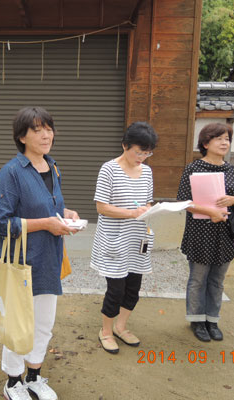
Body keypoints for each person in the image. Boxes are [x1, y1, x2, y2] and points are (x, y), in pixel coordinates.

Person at [0, 106, 79, 400]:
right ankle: (13, 381)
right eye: (37, 129)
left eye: (49, 128)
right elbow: (1, 224)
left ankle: (34, 376)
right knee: (17, 324)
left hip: (49, 258)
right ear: (22, 137)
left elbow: (48, 207)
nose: (46, 135)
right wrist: (46, 223)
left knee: (43, 324)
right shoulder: (11, 173)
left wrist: (66, 214)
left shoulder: (52, 167)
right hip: (21, 262)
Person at [91, 121, 158, 354]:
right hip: (114, 239)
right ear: (125, 145)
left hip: (137, 238)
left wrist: (149, 210)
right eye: (139, 152)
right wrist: (131, 213)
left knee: (133, 288)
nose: (143, 157)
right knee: (116, 289)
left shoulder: (147, 172)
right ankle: (106, 331)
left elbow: (147, 202)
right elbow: (102, 207)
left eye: (147, 153)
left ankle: (121, 327)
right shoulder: (109, 169)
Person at [176, 123, 234, 342]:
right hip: (200, 232)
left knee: (217, 280)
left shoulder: (233, 170)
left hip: (226, 233)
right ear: (205, 143)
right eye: (219, 138)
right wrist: (210, 211)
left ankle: (212, 320)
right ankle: (197, 320)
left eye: (227, 139)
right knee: (198, 279)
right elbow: (183, 201)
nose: (225, 143)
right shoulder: (193, 168)